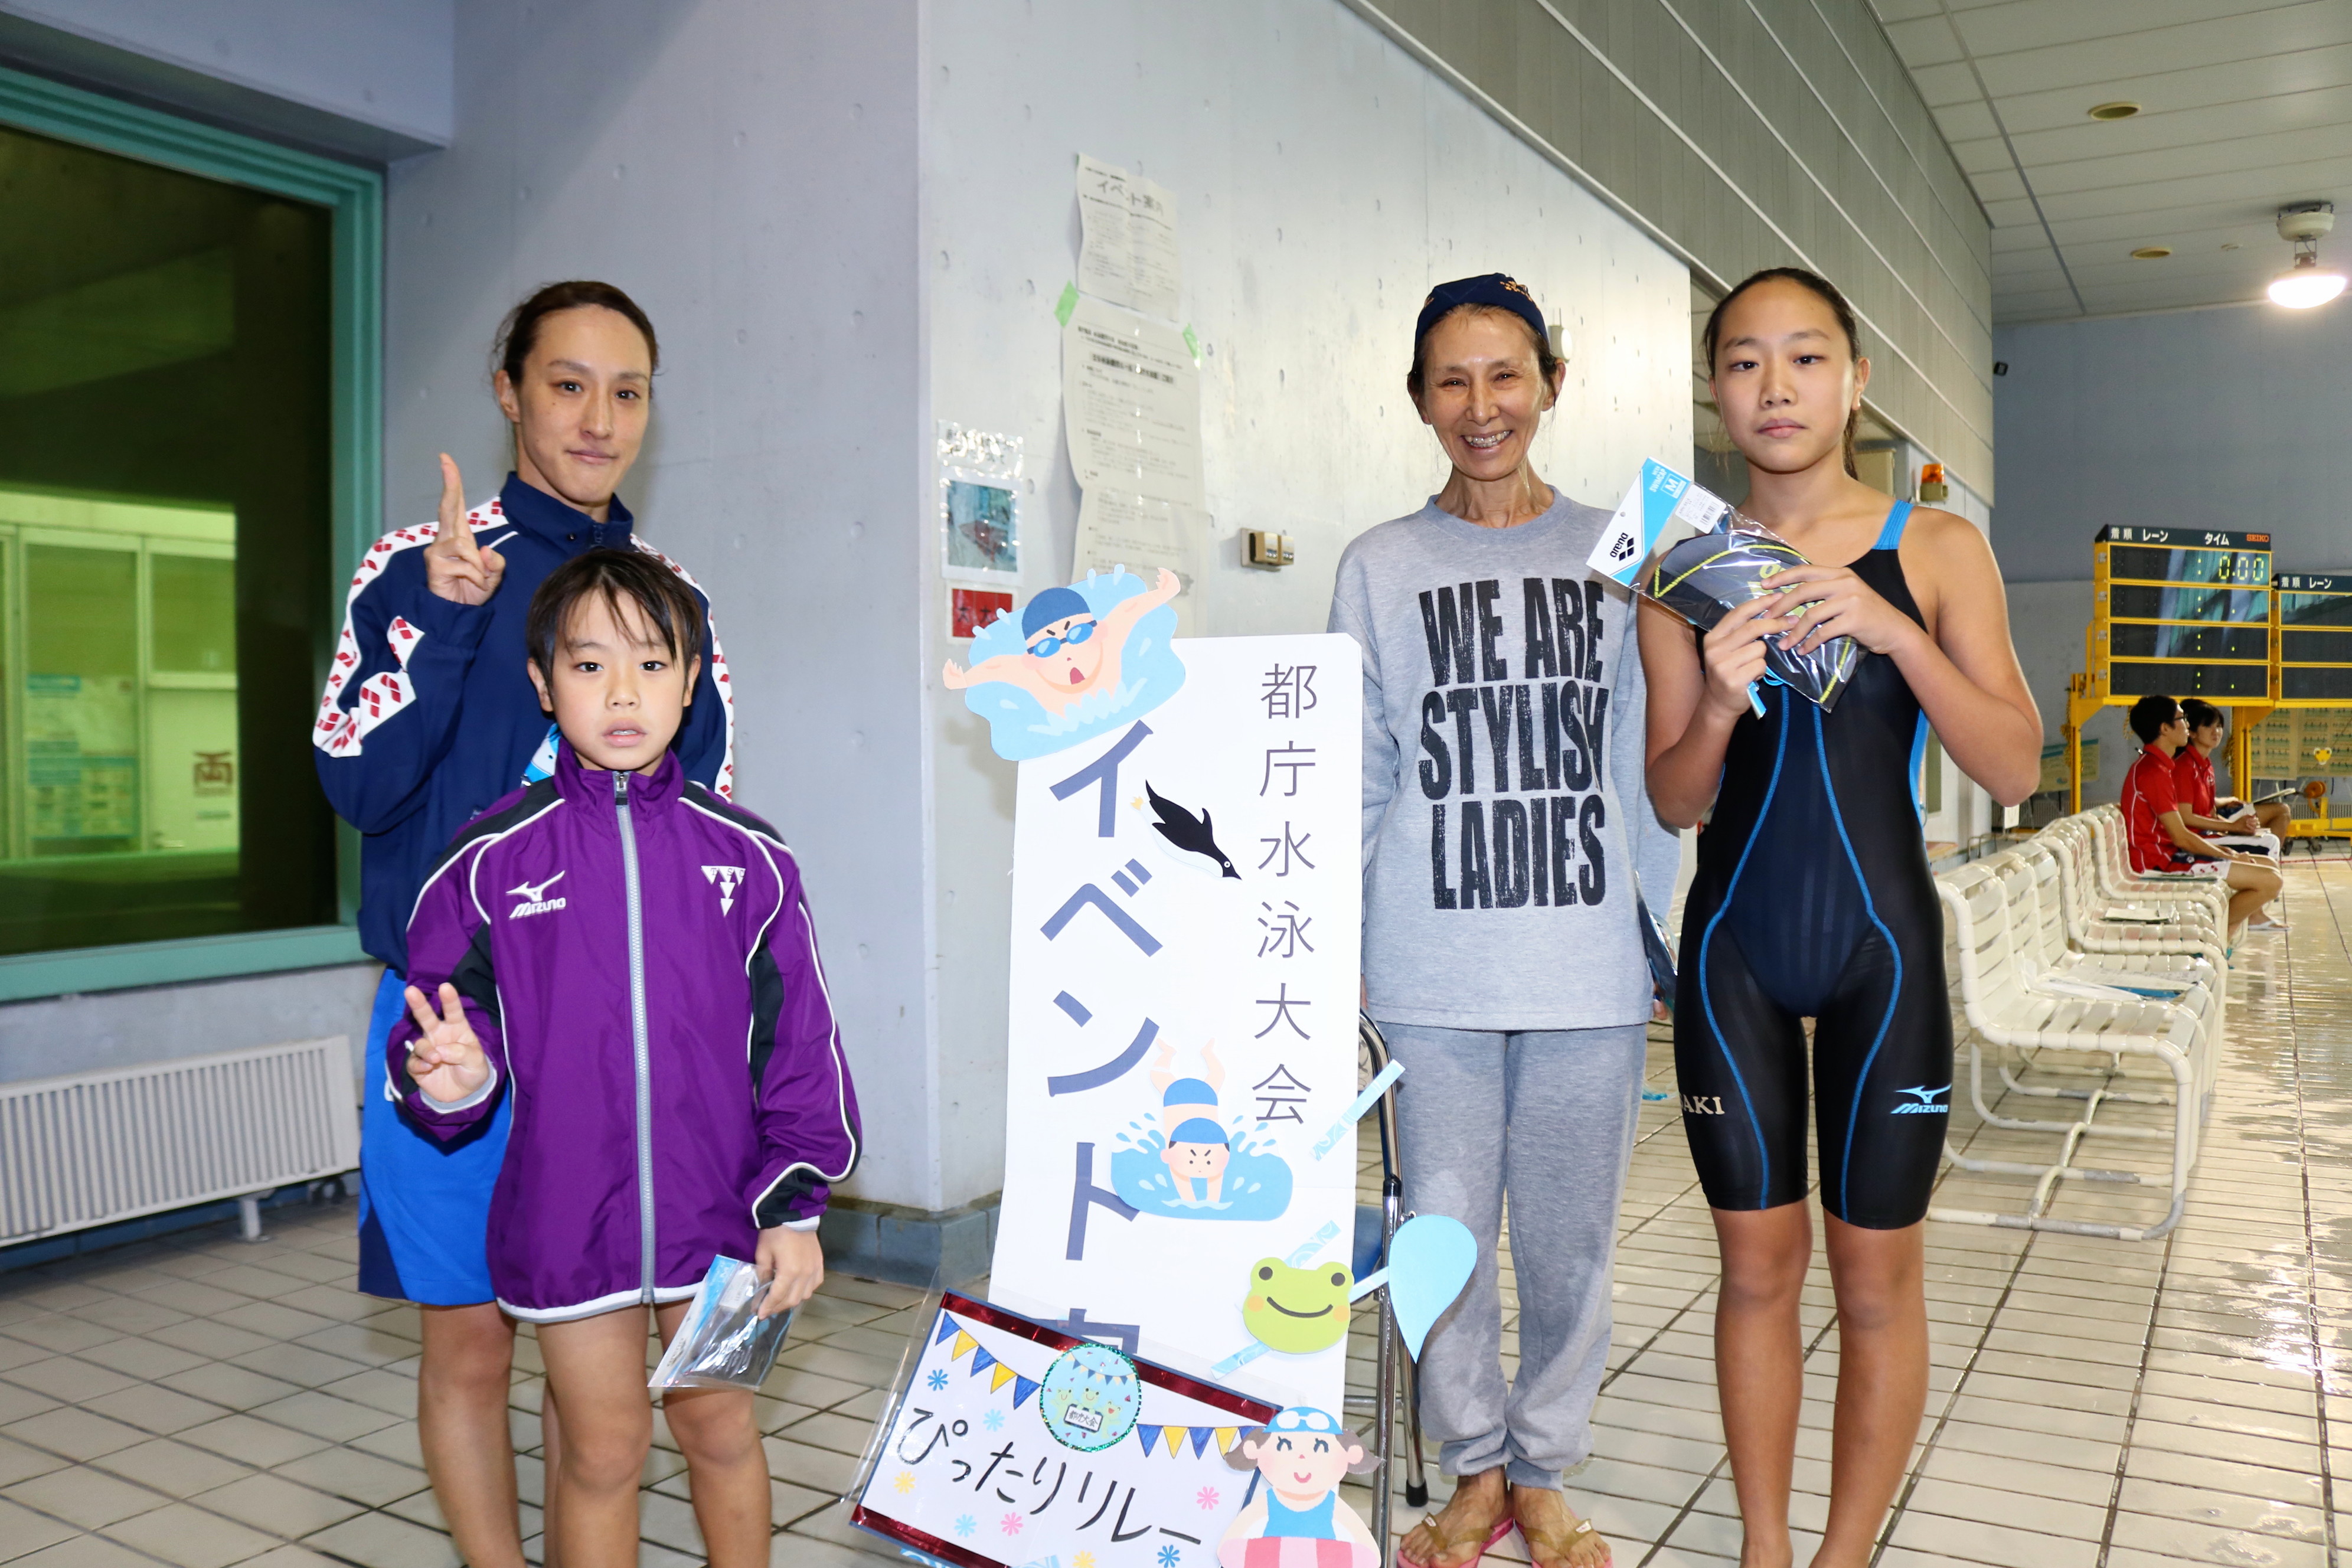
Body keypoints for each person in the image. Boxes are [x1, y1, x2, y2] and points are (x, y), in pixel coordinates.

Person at [312, 280, 733, 1568]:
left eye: (627, 390)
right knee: (469, 1339)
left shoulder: (671, 598)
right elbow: (357, 784)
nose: (599, 418)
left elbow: (705, 828)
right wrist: (449, 619)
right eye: (567, 383)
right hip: (451, 1021)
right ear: (509, 393)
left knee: (591, 1340)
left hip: (618, 1031)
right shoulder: (417, 566)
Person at [1640, 267, 2041, 1568]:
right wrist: (1715, 702)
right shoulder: (1680, 565)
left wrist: (1897, 635)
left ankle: (1844, 1553)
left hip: (1884, 954)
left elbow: (2014, 765)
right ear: (1715, 388)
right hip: (1734, 953)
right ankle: (1765, 1550)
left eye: (1805, 357)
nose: (1775, 387)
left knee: (1875, 1279)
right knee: (1756, 1269)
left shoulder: (1937, 549)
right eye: (1743, 360)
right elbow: (1673, 797)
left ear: (1855, 380)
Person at [393, 550, 860, 1568]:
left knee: (722, 1431)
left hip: (726, 1222)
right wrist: (457, 1080)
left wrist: (793, 1209)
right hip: (567, 1222)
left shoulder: (751, 858)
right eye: (588, 664)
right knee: (602, 1451)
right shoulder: (487, 861)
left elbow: (799, 1045)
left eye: (651, 664)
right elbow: (436, 1028)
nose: (620, 692)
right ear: (542, 683)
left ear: (691, 683)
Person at [1329, 273, 1680, 1568]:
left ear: (1550, 383)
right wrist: (1339, 950)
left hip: (1584, 961)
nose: (1481, 406)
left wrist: (1651, 930)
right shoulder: (1379, 564)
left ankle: (1544, 1475)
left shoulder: (1626, 551)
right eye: (1452, 381)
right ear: (1420, 400)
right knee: (1443, 1241)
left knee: (1571, 1241)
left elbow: (1651, 755)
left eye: (1505, 375)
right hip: (1428, 965)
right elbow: (1358, 770)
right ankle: (1473, 1468)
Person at [2120, 694, 2282, 940]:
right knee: (2270, 882)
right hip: (2161, 863)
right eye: (2181, 719)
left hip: (2172, 855)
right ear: (2165, 728)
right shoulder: (2153, 772)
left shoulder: (2159, 767)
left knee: (2268, 866)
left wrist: (2226, 852)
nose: (2187, 724)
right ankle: (2215, 938)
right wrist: (2228, 854)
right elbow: (2182, 837)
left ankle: (2223, 935)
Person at [941, 569, 1182, 714]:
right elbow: (999, 666)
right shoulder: (1031, 675)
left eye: (1078, 634)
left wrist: (1162, 594)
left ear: (1098, 630)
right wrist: (965, 680)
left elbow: (1127, 611)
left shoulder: (1108, 644)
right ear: (1031, 658)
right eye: (1048, 647)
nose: (1067, 653)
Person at [2176, 698, 2291, 880]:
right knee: (2269, 843)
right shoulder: (2185, 766)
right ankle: (2261, 888)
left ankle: (2261, 888)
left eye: (2219, 726)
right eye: (2208, 726)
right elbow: (2186, 817)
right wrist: (2231, 827)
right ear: (2192, 732)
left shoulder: (2205, 764)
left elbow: (2210, 813)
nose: (2216, 732)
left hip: (2210, 833)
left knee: (2267, 836)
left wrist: (2238, 829)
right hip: (2197, 839)